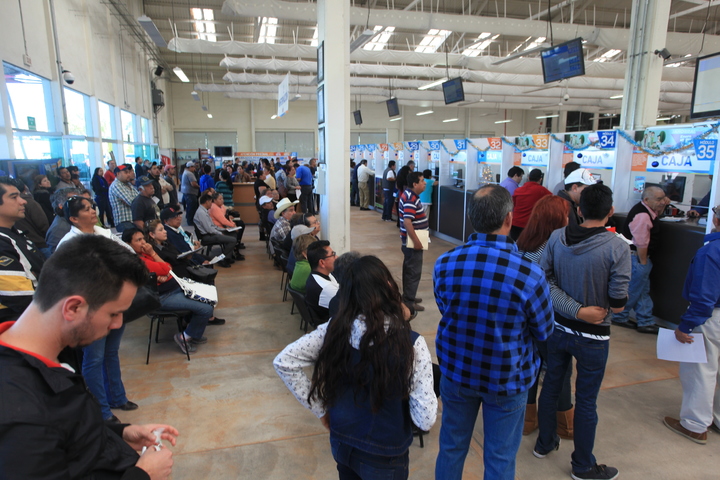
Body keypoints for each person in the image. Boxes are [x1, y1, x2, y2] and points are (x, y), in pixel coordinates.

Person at [0, 235, 178, 479]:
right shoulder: (19, 414)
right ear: (73, 308)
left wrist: (117, 433)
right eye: (113, 314)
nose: (117, 324)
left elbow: (66, 436)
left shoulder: (54, 355)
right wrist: (144, 474)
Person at [274, 255, 437, 479]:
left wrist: (321, 409)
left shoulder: (333, 329)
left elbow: (284, 361)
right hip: (386, 454)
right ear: (388, 288)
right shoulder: (412, 344)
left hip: (342, 441)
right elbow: (425, 419)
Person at [433, 184, 554, 480]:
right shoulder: (530, 274)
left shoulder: (445, 262)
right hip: (507, 378)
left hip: (457, 371)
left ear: (471, 217)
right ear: (509, 218)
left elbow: (445, 307)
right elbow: (543, 330)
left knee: (451, 447)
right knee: (500, 457)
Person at [534, 184, 631, 480]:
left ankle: (544, 442)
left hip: (557, 329)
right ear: (610, 211)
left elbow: (542, 279)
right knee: (586, 400)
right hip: (594, 336)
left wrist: (570, 307)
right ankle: (583, 465)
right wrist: (583, 310)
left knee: (552, 385)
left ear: (579, 209)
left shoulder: (556, 237)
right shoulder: (617, 247)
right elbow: (618, 304)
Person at [517, 195, 593, 439]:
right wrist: (578, 310)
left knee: (530, 366)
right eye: (567, 215)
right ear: (558, 219)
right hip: (549, 320)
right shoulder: (555, 247)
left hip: (524, 318)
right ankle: (565, 424)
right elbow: (549, 288)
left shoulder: (523, 244)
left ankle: (528, 419)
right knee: (560, 370)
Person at [57, 196, 137, 423]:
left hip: (114, 302)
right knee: (94, 358)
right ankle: (101, 410)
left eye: (92, 207)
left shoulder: (104, 234)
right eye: (86, 209)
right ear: (73, 218)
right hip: (91, 309)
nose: (93, 211)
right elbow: (70, 281)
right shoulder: (69, 244)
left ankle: (117, 397)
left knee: (111, 353)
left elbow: (129, 255)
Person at [664, 204, 720, 444]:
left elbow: (704, 298)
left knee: (700, 370)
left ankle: (695, 425)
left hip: (710, 318)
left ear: (716, 220)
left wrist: (685, 326)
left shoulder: (711, 252)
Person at [123, 227, 215, 355]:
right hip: (163, 297)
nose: (143, 242)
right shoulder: (138, 260)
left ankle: (193, 332)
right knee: (206, 309)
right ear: (128, 244)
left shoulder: (144, 254)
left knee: (208, 298)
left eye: (143, 238)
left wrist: (164, 272)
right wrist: (154, 256)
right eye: (138, 240)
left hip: (173, 289)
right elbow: (166, 268)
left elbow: (168, 267)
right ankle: (184, 337)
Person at [613, 185, 668, 334]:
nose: (663, 202)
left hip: (636, 257)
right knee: (634, 289)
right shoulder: (643, 215)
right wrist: (643, 263)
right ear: (647, 200)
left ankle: (645, 320)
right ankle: (619, 316)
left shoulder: (646, 210)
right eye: (659, 199)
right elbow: (641, 243)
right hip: (637, 257)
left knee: (642, 290)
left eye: (663, 198)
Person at [0, 177, 46, 322]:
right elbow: (22, 298)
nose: (23, 201)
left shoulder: (15, 234)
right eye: (14, 197)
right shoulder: (2, 243)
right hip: (18, 324)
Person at [398, 171, 428, 312]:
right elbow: (407, 222)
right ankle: (409, 301)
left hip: (412, 240)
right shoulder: (410, 198)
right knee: (413, 271)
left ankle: (408, 296)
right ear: (415, 184)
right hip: (412, 241)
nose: (425, 183)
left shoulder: (411, 196)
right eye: (422, 181)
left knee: (409, 269)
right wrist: (416, 241)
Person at [194, 193, 237, 267]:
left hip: (211, 233)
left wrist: (223, 229)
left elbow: (213, 226)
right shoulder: (201, 213)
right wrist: (220, 233)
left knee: (233, 234)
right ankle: (222, 259)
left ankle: (228, 257)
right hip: (207, 236)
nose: (212, 204)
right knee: (232, 240)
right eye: (211, 202)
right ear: (207, 202)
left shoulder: (204, 211)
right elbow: (209, 229)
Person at [14, 178, 51, 260]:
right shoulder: (30, 202)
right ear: (25, 187)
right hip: (38, 243)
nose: (22, 202)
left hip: (26, 244)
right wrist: (46, 236)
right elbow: (42, 223)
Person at [511, 168, 551, 240]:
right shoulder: (542, 191)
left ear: (528, 178)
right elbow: (552, 201)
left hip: (515, 223)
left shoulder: (518, 190)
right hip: (529, 225)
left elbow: (513, 205)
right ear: (540, 179)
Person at [304, 240, 339, 322]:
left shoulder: (317, 275)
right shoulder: (326, 288)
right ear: (322, 262)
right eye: (333, 255)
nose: (336, 257)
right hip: (333, 324)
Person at [208, 192, 245, 259]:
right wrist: (233, 226)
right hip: (218, 229)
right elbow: (223, 220)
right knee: (234, 234)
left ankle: (232, 253)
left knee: (238, 228)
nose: (222, 200)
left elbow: (226, 217)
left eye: (222, 198)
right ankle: (229, 255)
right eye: (220, 199)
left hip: (223, 227)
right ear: (214, 200)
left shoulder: (222, 206)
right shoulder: (214, 207)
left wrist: (233, 224)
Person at [45, 187, 82, 254]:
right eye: (74, 201)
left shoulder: (72, 220)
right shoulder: (60, 228)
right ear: (61, 205)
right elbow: (56, 256)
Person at [109, 163, 139, 232]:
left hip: (133, 220)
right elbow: (132, 202)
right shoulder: (116, 185)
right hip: (124, 222)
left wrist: (135, 201)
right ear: (118, 174)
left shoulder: (128, 184)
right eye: (126, 172)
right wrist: (134, 201)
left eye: (128, 172)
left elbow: (140, 199)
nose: (128, 174)